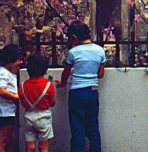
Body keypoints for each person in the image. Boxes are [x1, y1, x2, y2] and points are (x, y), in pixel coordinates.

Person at [56, 21, 106, 152]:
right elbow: (100, 74)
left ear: (74, 37)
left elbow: (66, 72)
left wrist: (62, 83)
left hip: (77, 93)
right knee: (93, 128)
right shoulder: (100, 51)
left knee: (78, 130)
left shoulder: (73, 52)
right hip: (93, 92)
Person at [19, 54, 56, 152]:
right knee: (43, 147)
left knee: (30, 146)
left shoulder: (23, 85)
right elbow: (52, 103)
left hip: (28, 116)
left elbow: (22, 102)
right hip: (43, 116)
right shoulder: (49, 85)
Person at [0, 44, 23, 152]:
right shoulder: (2, 73)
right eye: (18, 59)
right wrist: (16, 97)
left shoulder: (8, 72)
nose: (21, 62)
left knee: (9, 139)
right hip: (2, 113)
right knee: (2, 142)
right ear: (10, 59)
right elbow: (2, 90)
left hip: (8, 112)